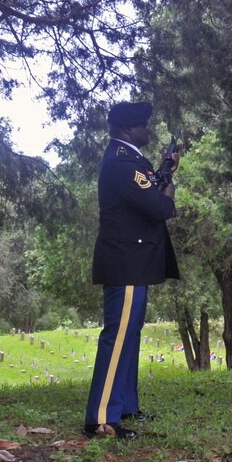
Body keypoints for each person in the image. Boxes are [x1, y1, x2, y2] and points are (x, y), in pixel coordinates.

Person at [84, 101, 179, 440]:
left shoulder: (131, 160)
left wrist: (165, 170)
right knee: (118, 336)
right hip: (125, 262)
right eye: (143, 124)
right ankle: (101, 418)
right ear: (127, 130)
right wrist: (168, 185)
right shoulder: (122, 162)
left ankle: (123, 405)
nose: (148, 130)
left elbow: (149, 188)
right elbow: (160, 206)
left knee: (130, 335)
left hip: (133, 262)